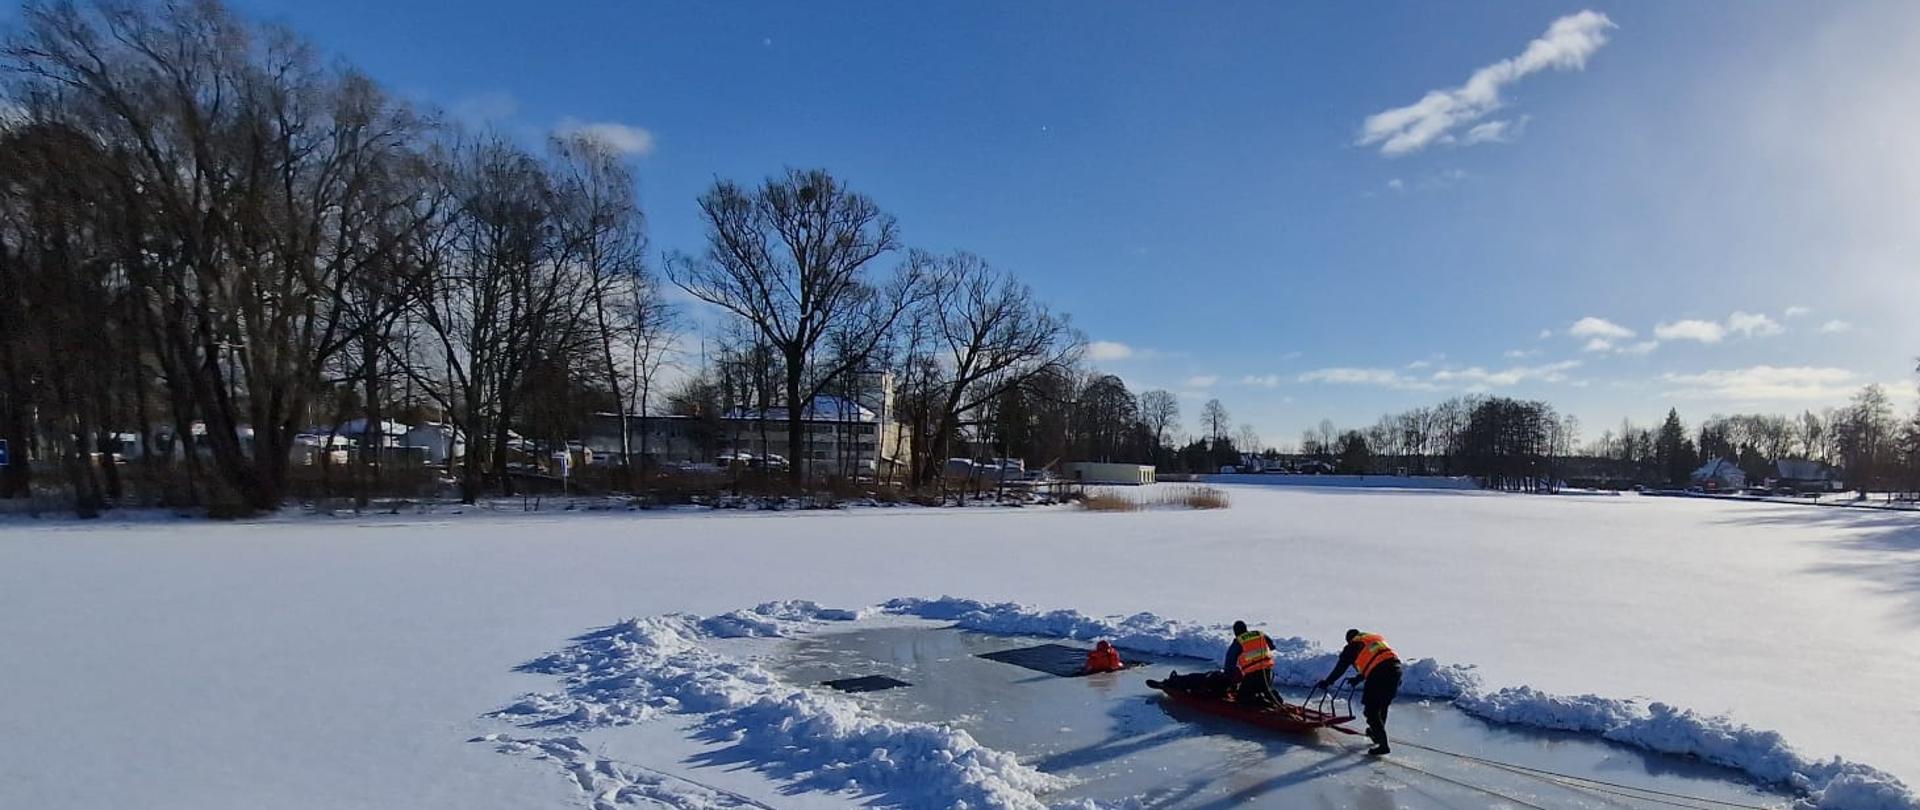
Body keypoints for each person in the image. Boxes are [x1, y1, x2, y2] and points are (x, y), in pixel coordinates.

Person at [1318, 629, 1403, 755]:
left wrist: (1328, 682)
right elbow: (1375, 660)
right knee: (1382, 705)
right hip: (1396, 671)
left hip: (1379, 674)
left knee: (1371, 710)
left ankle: (1383, 745)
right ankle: (1376, 734)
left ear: (1349, 640)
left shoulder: (1353, 645)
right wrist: (1358, 678)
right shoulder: (1373, 639)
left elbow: (1341, 667)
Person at [1223, 620, 1280, 708]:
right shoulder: (1259, 634)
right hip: (1267, 674)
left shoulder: (1239, 641)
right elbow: (1272, 646)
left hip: (1252, 676)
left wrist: (1229, 678)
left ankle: (1261, 703)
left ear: (1235, 632)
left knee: (1241, 698)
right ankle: (1273, 697)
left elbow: (1230, 661)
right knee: (1263, 687)